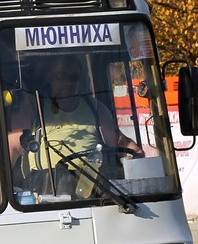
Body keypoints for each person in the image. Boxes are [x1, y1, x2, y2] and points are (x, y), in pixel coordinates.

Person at [15, 54, 143, 196]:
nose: (68, 83)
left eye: (73, 78)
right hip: (46, 192)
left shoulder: (95, 108)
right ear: (48, 78)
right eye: (61, 77)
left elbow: (120, 142)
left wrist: (137, 155)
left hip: (91, 187)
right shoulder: (34, 108)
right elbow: (12, 148)